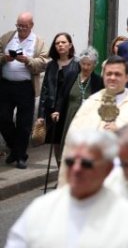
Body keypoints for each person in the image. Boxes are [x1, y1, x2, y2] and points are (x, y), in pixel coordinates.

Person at [6, 130, 128, 247]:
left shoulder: (126, 217)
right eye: (70, 162)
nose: (76, 169)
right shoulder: (40, 209)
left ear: (108, 169)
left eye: (86, 163)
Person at [59, 55, 128, 185]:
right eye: (109, 74)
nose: (112, 78)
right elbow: (72, 144)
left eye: (117, 74)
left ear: (127, 77)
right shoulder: (91, 103)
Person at [0, 12, 48, 169]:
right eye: (18, 25)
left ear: (31, 25)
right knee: (3, 118)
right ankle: (16, 150)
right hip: (6, 85)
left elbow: (44, 62)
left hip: (26, 87)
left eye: (24, 26)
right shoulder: (7, 37)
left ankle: (19, 156)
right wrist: (4, 58)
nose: (21, 29)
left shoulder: (38, 42)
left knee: (24, 123)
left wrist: (28, 60)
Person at [36, 33, 79, 164]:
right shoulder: (51, 65)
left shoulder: (77, 64)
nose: (60, 45)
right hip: (52, 109)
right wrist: (41, 115)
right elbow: (44, 90)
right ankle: (61, 171)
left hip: (69, 109)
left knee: (69, 142)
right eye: (57, 43)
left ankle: (69, 171)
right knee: (56, 142)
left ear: (70, 45)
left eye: (63, 42)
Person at [59, 47, 104, 156]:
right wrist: (57, 111)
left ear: (94, 65)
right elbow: (62, 96)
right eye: (83, 63)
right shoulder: (71, 76)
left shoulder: (98, 81)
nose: (86, 67)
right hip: (70, 117)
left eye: (89, 64)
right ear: (80, 63)